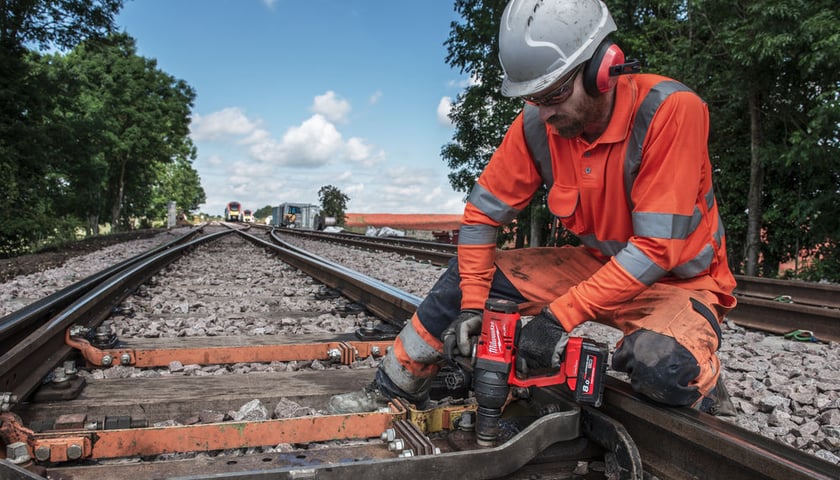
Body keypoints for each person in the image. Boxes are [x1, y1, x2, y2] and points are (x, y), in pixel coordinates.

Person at [329, 0, 737, 415]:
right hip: (598, 266)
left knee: (663, 369)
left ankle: (706, 374)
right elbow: (481, 217)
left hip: (679, 284)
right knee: (467, 280)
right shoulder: (538, 125)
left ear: (602, 71)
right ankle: (393, 390)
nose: (545, 112)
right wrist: (472, 305)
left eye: (555, 94)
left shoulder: (669, 111)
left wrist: (558, 318)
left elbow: (655, 248)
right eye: (533, 98)